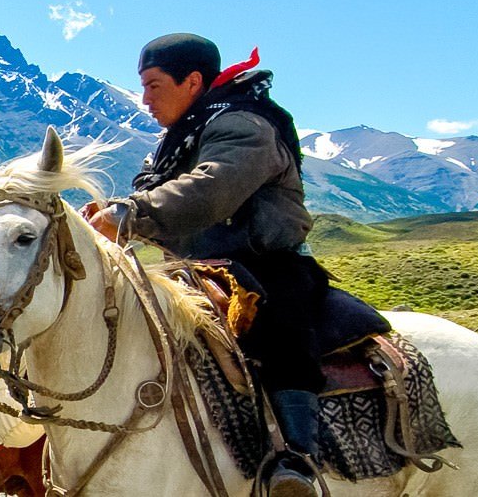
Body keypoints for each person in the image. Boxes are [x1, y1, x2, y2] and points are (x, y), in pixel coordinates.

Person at [87, 33, 326, 496]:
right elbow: (157, 192)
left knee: (276, 331)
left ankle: (297, 459)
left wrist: (131, 214)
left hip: (265, 265)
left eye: (154, 86)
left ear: (192, 81)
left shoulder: (245, 126)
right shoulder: (179, 138)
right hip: (198, 269)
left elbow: (210, 189)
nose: (145, 99)